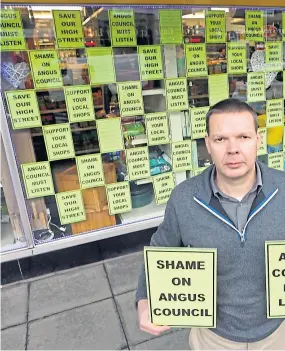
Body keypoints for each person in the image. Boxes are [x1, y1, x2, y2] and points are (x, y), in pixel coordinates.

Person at [136, 98, 285, 350]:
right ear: (207, 144)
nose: (233, 149)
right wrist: (145, 299)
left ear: (258, 139)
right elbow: (160, 251)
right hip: (213, 338)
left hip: (277, 333)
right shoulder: (184, 198)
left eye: (243, 137)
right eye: (220, 139)